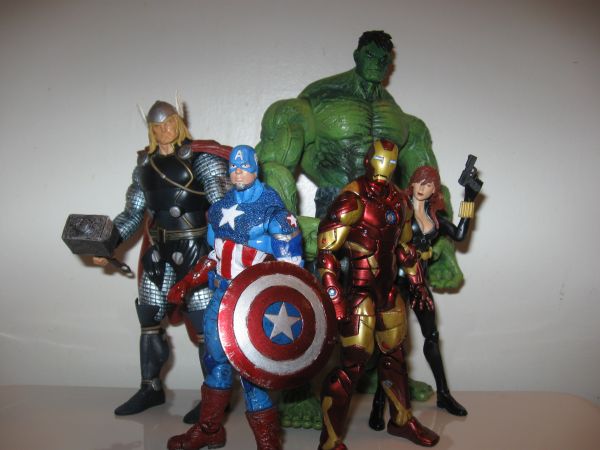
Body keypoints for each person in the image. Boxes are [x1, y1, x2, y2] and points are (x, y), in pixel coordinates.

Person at [93, 100, 230, 416]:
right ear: (151, 130)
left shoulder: (201, 160)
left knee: (204, 322)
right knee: (149, 316)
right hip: (159, 252)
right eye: (157, 126)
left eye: (169, 123)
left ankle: (215, 396)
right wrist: (107, 244)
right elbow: (132, 213)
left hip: (195, 251)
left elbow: (223, 207)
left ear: (178, 123)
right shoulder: (144, 167)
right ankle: (150, 388)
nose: (164, 130)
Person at [167, 145, 303, 450]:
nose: (239, 172)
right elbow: (213, 256)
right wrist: (186, 282)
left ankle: (268, 442)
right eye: (234, 167)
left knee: (252, 371)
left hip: (254, 301)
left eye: (244, 167)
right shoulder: (219, 209)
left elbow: (292, 272)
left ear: (255, 168)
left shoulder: (274, 212)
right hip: (221, 294)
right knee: (215, 361)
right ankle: (210, 429)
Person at [317, 140, 439, 449]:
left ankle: (401, 420)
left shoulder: (400, 200)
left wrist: (418, 283)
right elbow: (326, 250)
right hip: (359, 292)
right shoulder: (353, 197)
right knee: (353, 364)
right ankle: (330, 439)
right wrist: (333, 295)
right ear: (369, 160)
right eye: (380, 160)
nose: (384, 168)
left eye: (391, 163)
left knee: (395, 357)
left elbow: (404, 248)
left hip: (388, 291)